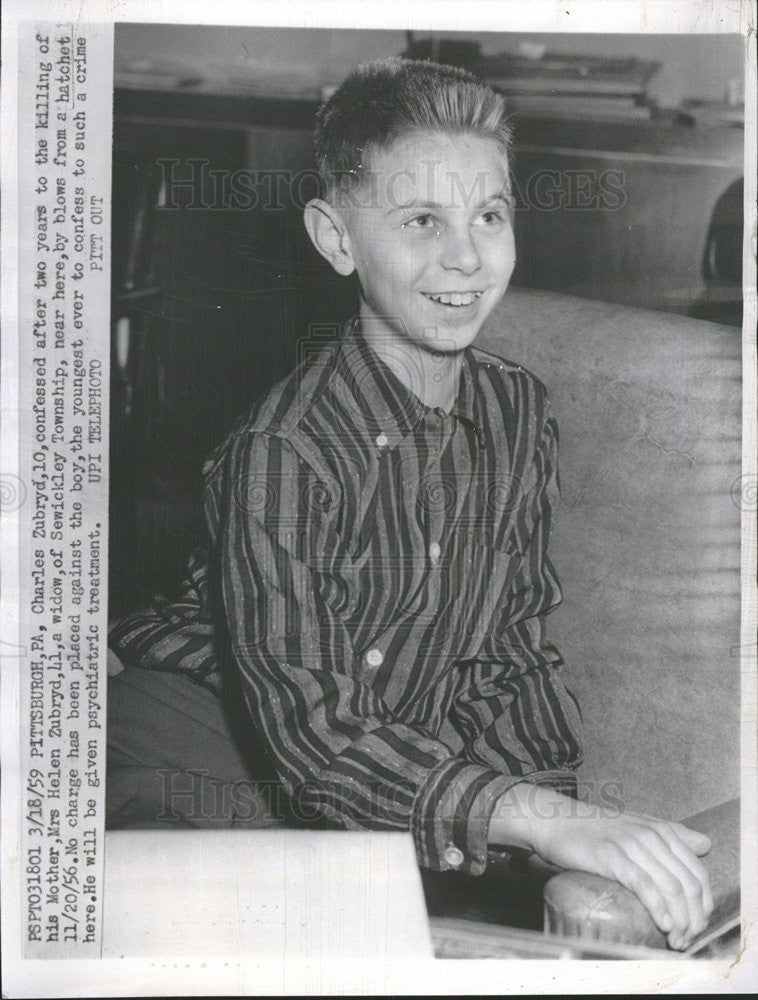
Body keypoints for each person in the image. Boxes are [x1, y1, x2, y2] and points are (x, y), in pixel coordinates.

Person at [108, 57, 712, 950]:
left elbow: (510, 651)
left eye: (490, 215)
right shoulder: (282, 452)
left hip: (373, 779)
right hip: (191, 762)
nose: (466, 256)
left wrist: (568, 835)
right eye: (421, 219)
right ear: (337, 238)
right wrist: (527, 817)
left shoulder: (516, 411)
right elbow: (317, 738)